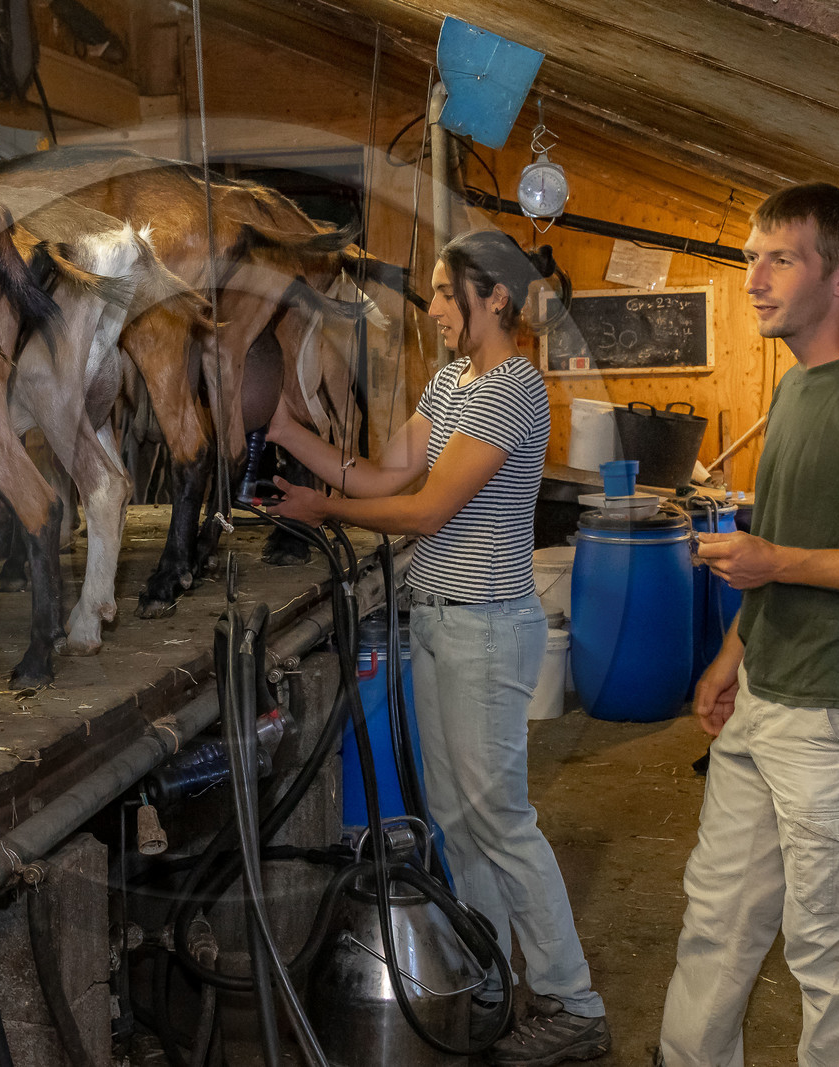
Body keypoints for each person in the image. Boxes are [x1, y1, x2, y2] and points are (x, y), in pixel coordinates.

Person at [267, 229, 611, 1067]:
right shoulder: (453, 380)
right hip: (443, 621)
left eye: (446, 293)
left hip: (489, 627)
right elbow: (386, 472)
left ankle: (573, 1000)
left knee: (501, 819)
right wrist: (286, 431)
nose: (433, 308)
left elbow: (425, 511)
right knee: (457, 823)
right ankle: (491, 974)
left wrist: (323, 512)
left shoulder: (511, 390)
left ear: (495, 296)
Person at [657, 183, 839, 1066]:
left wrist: (775, 563)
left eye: (778, 257)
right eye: (751, 257)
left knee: (833, 952)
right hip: (763, 697)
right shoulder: (794, 392)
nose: (754, 277)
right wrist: (731, 653)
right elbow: (788, 542)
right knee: (715, 921)